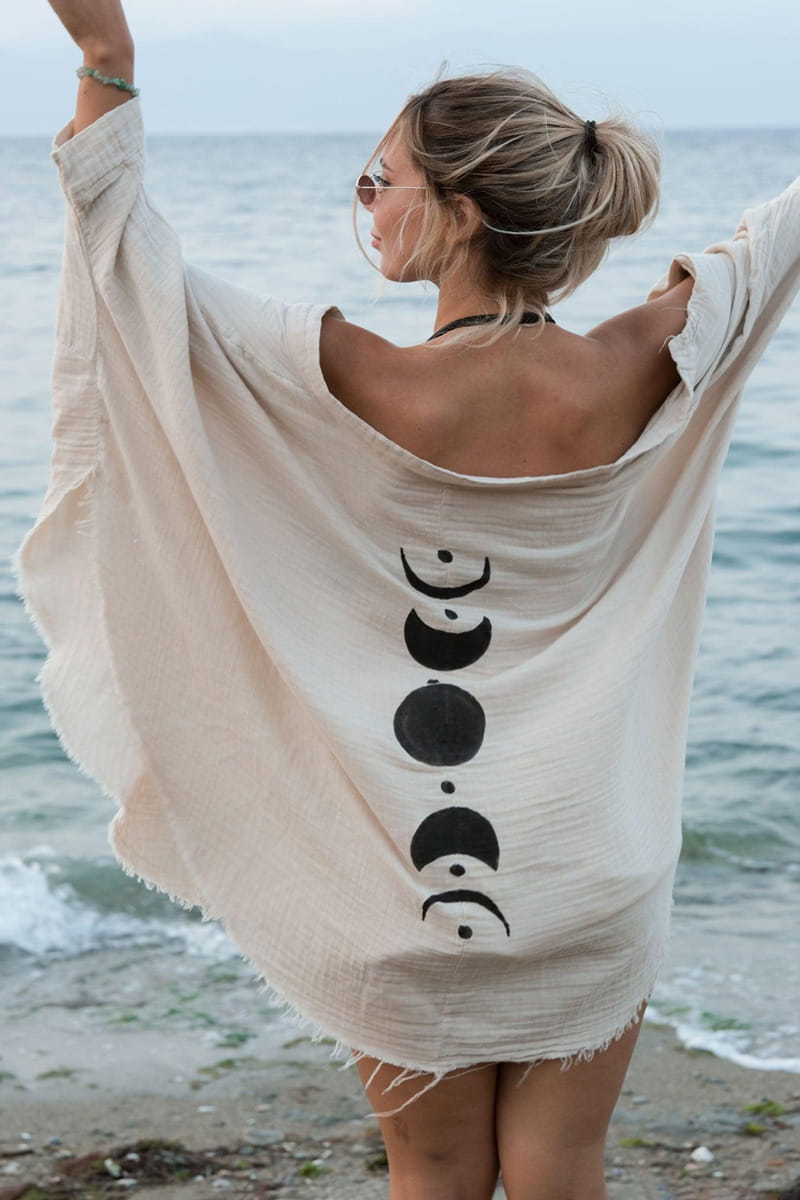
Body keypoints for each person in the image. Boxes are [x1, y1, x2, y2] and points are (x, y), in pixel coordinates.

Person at [19, 3, 798, 1199]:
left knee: (431, 1175)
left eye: (379, 180)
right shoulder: (646, 361)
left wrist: (107, 65)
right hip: (594, 872)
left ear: (462, 213)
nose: (365, 200)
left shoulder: (350, 377)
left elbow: (127, 265)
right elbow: (771, 242)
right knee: (562, 1166)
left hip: (404, 893)